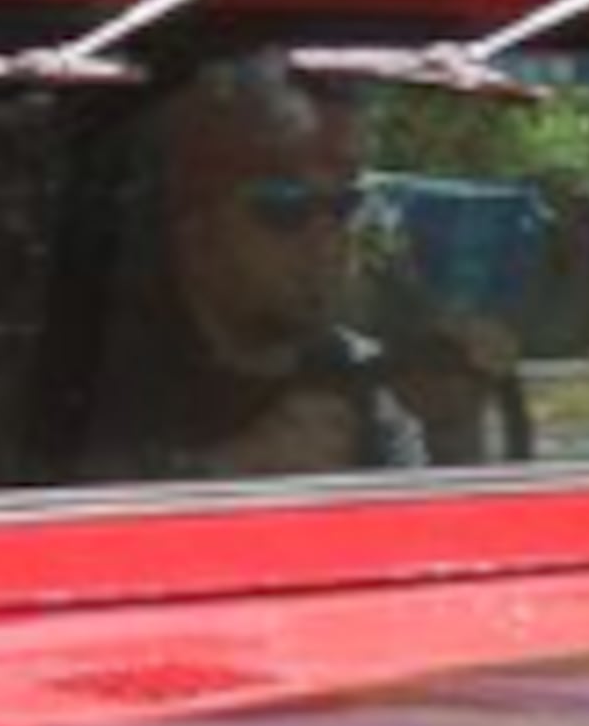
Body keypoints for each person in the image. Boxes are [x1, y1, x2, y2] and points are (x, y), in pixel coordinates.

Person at [79, 52, 427, 483]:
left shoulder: (360, 379)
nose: (325, 244)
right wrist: (223, 471)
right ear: (194, 235)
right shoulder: (97, 380)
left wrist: (456, 424)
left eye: (341, 206)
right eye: (284, 209)